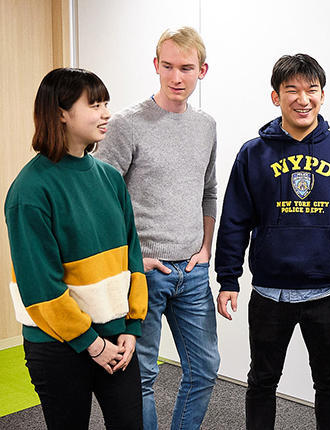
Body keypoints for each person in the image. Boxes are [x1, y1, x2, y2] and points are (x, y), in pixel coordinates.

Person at [215, 53, 330, 430]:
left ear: (322, 95)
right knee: (262, 381)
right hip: (271, 292)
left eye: (311, 90)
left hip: (327, 291)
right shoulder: (253, 153)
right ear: (276, 97)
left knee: (329, 381)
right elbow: (235, 218)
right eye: (292, 90)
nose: (303, 99)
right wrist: (228, 278)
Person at [5, 68, 147, 429]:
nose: (106, 114)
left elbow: (132, 257)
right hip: (59, 345)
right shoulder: (30, 191)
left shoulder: (110, 178)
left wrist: (132, 325)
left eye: (106, 104)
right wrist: (93, 345)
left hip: (117, 336)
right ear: (61, 113)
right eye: (94, 105)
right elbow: (41, 289)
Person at [95, 26, 220, 430]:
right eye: (167, 66)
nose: (176, 77)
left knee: (205, 369)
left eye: (186, 68)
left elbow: (208, 190)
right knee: (142, 375)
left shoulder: (206, 125)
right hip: (144, 273)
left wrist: (206, 247)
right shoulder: (127, 124)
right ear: (156, 65)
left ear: (202, 70)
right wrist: (134, 260)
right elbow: (102, 201)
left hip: (192, 272)